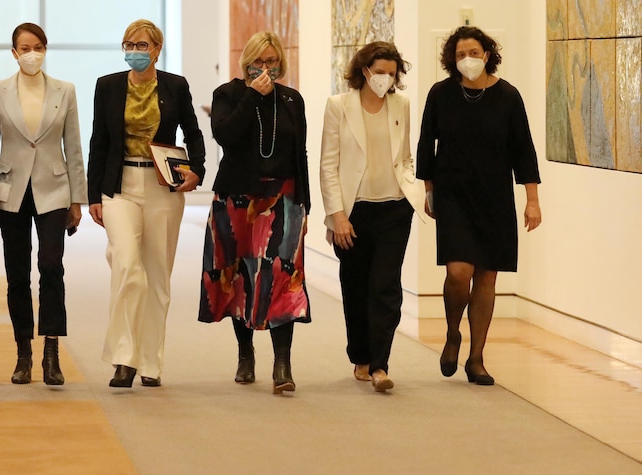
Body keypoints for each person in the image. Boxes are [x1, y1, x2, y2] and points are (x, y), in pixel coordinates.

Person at [416, 26, 542, 386]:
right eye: (459, 55)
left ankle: (477, 357)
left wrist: (532, 200)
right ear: (451, 60)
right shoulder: (441, 94)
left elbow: (524, 150)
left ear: (487, 54)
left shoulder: (508, 96)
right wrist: (429, 190)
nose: (466, 60)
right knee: (458, 272)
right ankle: (453, 332)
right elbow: (427, 144)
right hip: (453, 195)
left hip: (495, 196)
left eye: (473, 52)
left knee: (487, 276)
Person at [87, 19, 206, 388]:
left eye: (142, 45)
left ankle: (151, 361)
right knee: (126, 265)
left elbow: (193, 130)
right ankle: (124, 358)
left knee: (157, 275)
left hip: (161, 187)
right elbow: (99, 141)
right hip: (120, 186)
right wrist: (94, 195)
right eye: (128, 44)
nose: (135, 51)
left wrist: (196, 170)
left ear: (157, 48)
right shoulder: (107, 86)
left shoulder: (175, 85)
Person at [199, 31, 311, 395]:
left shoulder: (292, 99)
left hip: (283, 198)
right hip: (237, 199)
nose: (265, 68)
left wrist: (305, 204)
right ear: (246, 62)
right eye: (258, 62)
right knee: (241, 277)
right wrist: (251, 95)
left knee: (283, 273)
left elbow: (301, 155)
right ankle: (245, 353)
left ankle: (283, 362)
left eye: (271, 61)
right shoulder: (228, 95)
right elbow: (226, 136)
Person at [0, 23, 87, 386]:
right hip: (11, 188)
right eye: (25, 48)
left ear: (46, 49)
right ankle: (23, 352)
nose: (32, 53)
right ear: (14, 52)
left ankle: (51, 352)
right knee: (17, 273)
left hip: (54, 188)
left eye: (38, 46)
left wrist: (78, 199)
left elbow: (73, 147)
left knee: (51, 266)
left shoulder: (65, 90)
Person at [320, 42, 426, 392]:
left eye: (391, 73)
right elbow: (329, 165)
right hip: (355, 210)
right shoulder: (339, 106)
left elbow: (405, 156)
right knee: (355, 285)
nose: (385, 79)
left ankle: (380, 364)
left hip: (395, 208)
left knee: (385, 285)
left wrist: (413, 191)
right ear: (364, 71)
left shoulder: (401, 105)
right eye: (379, 72)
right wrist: (337, 215)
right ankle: (361, 355)